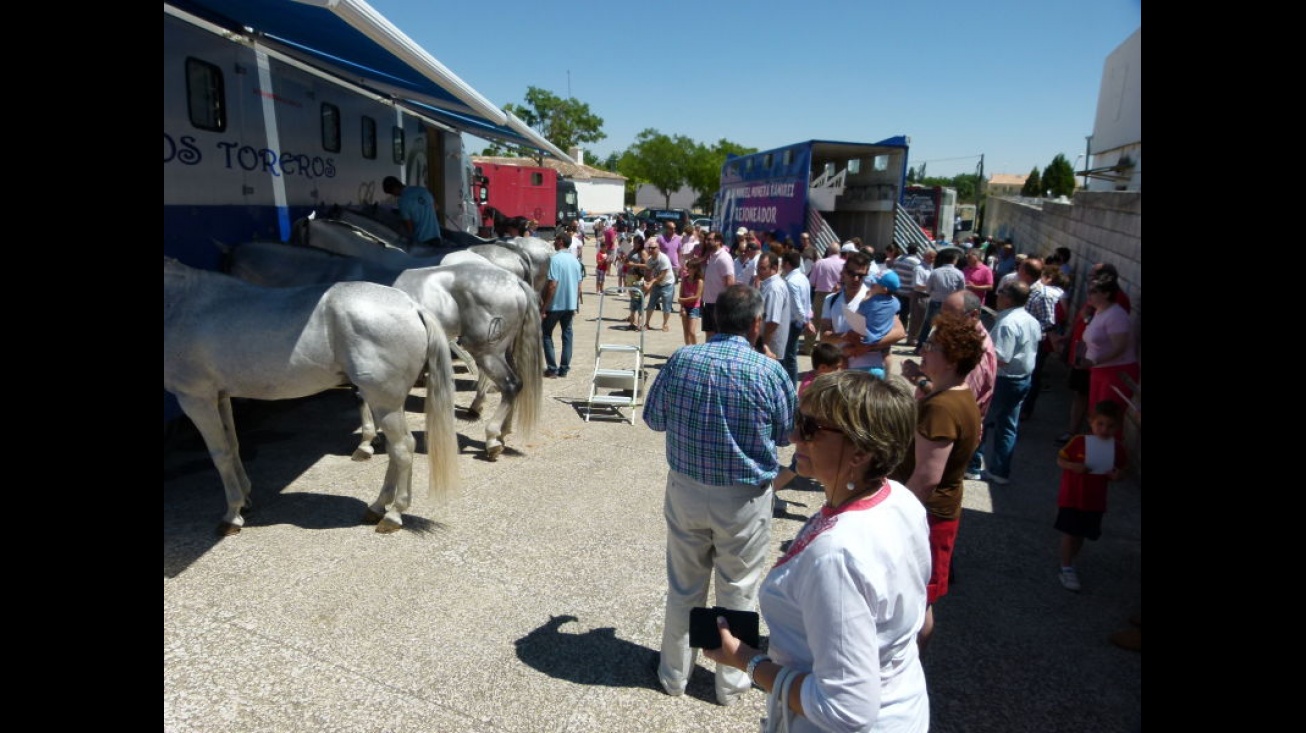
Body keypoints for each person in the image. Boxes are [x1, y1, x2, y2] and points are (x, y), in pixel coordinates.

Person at [705, 371, 931, 733]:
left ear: (860, 451)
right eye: (798, 420)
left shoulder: (837, 556)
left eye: (810, 428)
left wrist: (745, 660)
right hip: (906, 709)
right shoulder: (901, 501)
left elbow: (845, 710)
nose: (794, 436)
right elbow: (922, 621)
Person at [643, 284, 797, 707]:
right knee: (738, 589)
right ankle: (729, 683)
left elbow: (654, 419)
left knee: (684, 586)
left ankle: (674, 674)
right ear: (755, 324)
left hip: (688, 488)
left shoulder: (682, 359)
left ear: (713, 320)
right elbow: (788, 433)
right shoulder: (769, 371)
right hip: (744, 498)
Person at [888, 310, 983, 651]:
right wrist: (921, 383)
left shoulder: (942, 408)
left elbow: (927, 477)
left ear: (952, 358)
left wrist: (894, 519)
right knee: (919, 598)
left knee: (916, 602)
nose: (923, 351)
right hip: (938, 513)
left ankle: (905, 668)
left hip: (928, 516)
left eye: (932, 346)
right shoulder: (958, 395)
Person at [1054, 400, 1128, 593]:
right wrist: (1073, 466)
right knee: (1069, 532)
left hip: (1094, 500)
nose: (1104, 430)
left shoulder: (1117, 449)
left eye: (1110, 426)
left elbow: (1122, 469)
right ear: (1091, 422)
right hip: (1072, 496)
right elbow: (1061, 459)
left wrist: (1118, 475)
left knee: (1082, 535)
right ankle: (1066, 566)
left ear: (1118, 427)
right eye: (1100, 424)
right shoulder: (1079, 442)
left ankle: (1069, 560)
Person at [982, 281, 1041, 485]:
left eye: (1000, 293)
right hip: (1022, 379)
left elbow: (1001, 357)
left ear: (1008, 298)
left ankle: (972, 466)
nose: (996, 297)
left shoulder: (1007, 323)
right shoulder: (1030, 320)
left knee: (981, 422)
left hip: (1004, 380)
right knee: (1007, 426)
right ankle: (1000, 471)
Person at [1080, 276, 1139, 417]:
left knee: (1108, 418)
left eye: (1093, 291)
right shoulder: (1100, 312)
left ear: (1106, 294)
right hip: (1099, 370)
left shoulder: (1116, 315)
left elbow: (1120, 347)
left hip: (1116, 372)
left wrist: (1094, 361)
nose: (1089, 295)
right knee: (1095, 416)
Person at [541, 232, 583, 378]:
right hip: (570, 304)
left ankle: (552, 368)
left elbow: (552, 285)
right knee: (567, 335)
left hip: (556, 304)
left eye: (556, 239)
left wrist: (544, 307)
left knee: (546, 334)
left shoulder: (555, 260)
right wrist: (576, 304)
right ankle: (564, 368)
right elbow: (579, 286)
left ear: (560, 242)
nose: (554, 242)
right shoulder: (575, 261)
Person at [913, 247, 965, 351]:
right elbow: (961, 290)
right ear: (954, 260)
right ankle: (944, 348)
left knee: (928, 324)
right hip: (951, 304)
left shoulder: (935, 272)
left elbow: (928, 289)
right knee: (948, 326)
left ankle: (920, 346)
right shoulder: (959, 273)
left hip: (935, 301)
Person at [780, 250, 814, 383]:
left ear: (787, 263)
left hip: (792, 323)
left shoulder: (791, 281)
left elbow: (797, 307)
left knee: (788, 358)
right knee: (789, 357)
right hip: (797, 322)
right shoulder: (803, 277)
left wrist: (806, 322)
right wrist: (807, 320)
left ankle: (791, 389)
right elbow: (807, 303)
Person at [805, 244, 845, 355]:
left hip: (821, 294)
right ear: (839, 252)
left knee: (816, 321)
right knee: (834, 323)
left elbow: (812, 282)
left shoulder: (820, 263)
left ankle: (808, 348)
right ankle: (831, 349)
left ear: (828, 251)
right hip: (838, 295)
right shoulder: (844, 264)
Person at [381, 175, 441, 246]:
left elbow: (410, 228)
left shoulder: (402, 201)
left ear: (395, 189)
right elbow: (436, 207)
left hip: (422, 241)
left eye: (392, 193)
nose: (394, 195)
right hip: (436, 236)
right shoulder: (422, 190)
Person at [700, 231, 737, 341]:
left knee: (719, 336)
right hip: (709, 303)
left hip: (718, 304)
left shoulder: (724, 258)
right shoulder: (712, 257)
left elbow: (730, 282)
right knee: (709, 334)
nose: (707, 242)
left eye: (710, 239)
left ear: (719, 241)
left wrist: (725, 305)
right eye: (707, 240)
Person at [757, 251, 791, 360]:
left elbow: (773, 321)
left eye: (763, 268)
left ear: (774, 268)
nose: (758, 272)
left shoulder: (774, 288)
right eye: (758, 268)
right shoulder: (768, 285)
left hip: (770, 349)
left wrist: (764, 345)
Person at [641, 237, 676, 332]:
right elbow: (647, 272)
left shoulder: (664, 258)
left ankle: (665, 324)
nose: (651, 250)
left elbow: (662, 276)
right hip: (657, 284)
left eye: (653, 248)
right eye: (649, 248)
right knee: (651, 304)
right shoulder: (650, 260)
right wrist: (646, 283)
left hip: (667, 284)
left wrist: (651, 283)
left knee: (666, 306)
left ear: (658, 248)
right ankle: (647, 324)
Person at [677, 258, 704, 346]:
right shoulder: (685, 279)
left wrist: (682, 300)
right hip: (685, 307)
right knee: (686, 330)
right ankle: (687, 348)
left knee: (692, 331)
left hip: (694, 308)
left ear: (696, 269)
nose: (688, 269)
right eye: (688, 267)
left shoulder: (700, 281)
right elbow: (681, 294)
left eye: (690, 267)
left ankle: (695, 348)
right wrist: (682, 307)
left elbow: (696, 297)